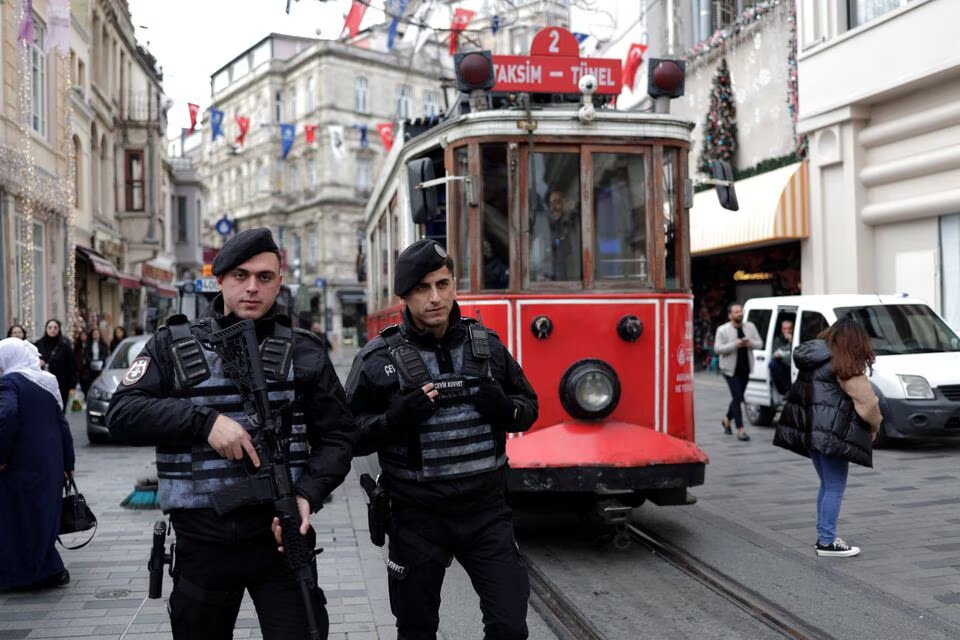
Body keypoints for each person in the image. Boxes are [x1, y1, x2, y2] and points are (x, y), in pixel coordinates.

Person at [107, 228, 355, 639]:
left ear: (279, 282)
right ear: (220, 280)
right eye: (241, 276)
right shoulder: (172, 344)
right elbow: (122, 413)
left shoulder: (305, 350)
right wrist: (204, 422)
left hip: (280, 540)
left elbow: (339, 437)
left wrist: (306, 494)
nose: (252, 287)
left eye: (264, 277)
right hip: (203, 544)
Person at [345, 239, 538, 640]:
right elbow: (347, 437)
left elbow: (529, 407)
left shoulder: (488, 347)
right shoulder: (377, 359)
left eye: (442, 284)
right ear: (405, 295)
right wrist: (392, 421)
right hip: (417, 516)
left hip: (486, 513)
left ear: (453, 285)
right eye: (422, 288)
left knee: (509, 625)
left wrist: (504, 408)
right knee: (416, 629)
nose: (435, 298)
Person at [773, 319, 882, 558]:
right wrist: (875, 426)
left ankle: (824, 536)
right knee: (834, 487)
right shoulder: (844, 363)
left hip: (812, 432)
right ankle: (827, 541)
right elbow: (868, 403)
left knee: (826, 484)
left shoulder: (814, 359)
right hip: (833, 434)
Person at [0, 337, 75, 591]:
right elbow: (63, 424)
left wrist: (1, 456)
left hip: (22, 463)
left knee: (19, 518)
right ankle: (49, 569)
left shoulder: (10, 383)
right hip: (51, 462)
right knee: (42, 516)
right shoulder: (47, 381)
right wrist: (68, 463)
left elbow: (7, 415)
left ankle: (28, 575)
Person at [714, 303, 761, 441]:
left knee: (738, 397)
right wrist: (734, 345)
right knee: (737, 397)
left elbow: (760, 343)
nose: (740, 314)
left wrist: (750, 343)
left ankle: (727, 420)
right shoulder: (722, 330)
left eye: (741, 311)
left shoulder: (750, 327)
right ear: (730, 315)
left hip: (745, 368)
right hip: (729, 370)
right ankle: (740, 429)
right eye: (736, 312)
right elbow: (717, 349)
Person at [530, 188, 581, 282]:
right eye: (550, 204)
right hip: (553, 282)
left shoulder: (572, 224)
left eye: (557, 202)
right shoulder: (545, 228)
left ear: (564, 203)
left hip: (574, 281)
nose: (553, 208)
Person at [34, 319, 77, 408]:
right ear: (46, 329)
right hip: (42, 383)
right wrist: (37, 362)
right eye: (50, 327)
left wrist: (72, 386)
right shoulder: (38, 344)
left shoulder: (65, 345)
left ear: (59, 329)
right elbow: (30, 361)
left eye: (55, 328)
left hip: (61, 384)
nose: (52, 330)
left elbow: (72, 366)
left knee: (59, 409)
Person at [80, 328, 110, 395]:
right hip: (90, 367)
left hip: (101, 366)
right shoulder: (88, 344)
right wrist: (91, 361)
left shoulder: (103, 344)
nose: (95, 335)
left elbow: (105, 353)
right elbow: (86, 354)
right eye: (94, 334)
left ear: (99, 335)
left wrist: (99, 361)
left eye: (97, 334)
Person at [769, 319, 794, 395]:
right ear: (782, 329)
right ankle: (788, 390)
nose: (787, 331)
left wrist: (791, 342)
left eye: (790, 328)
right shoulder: (778, 339)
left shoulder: (796, 337)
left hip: (793, 366)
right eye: (785, 329)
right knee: (772, 364)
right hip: (783, 366)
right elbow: (774, 354)